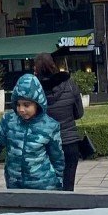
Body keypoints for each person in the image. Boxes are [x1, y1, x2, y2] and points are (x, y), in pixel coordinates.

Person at [0, 73, 65, 191]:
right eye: (18, 104)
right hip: (14, 186)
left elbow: (57, 158)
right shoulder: (8, 122)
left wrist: (58, 183)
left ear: (37, 104)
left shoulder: (50, 126)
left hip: (44, 187)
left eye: (26, 105)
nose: (21, 109)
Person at [35, 54, 89, 191]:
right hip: (70, 142)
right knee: (68, 185)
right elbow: (79, 113)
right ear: (53, 65)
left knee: (48, 185)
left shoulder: (35, 88)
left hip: (46, 144)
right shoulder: (69, 83)